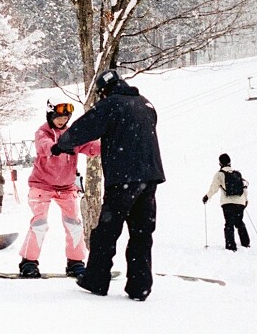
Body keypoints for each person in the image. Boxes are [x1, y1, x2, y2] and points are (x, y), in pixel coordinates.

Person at [54, 68, 165, 301]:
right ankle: (140, 286)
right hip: (150, 178)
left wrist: (62, 144)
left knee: (106, 231)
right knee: (142, 233)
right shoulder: (146, 104)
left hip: (123, 179)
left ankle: (96, 280)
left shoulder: (112, 104)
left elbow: (83, 128)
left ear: (104, 90)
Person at [19, 101, 101, 278]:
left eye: (65, 117)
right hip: (42, 186)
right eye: (58, 117)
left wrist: (108, 144)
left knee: (74, 225)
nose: (62, 120)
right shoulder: (43, 132)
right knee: (39, 224)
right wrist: (56, 147)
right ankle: (28, 262)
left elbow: (90, 146)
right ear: (50, 115)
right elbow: (44, 146)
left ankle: (75, 262)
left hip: (66, 187)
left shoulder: (73, 135)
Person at [203, 153, 250, 250]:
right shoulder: (237, 174)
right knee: (239, 222)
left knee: (229, 223)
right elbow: (244, 187)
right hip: (240, 202)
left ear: (220, 163)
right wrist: (245, 200)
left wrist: (207, 197)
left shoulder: (219, 174)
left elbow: (214, 188)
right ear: (230, 162)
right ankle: (246, 243)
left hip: (227, 203)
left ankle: (231, 246)